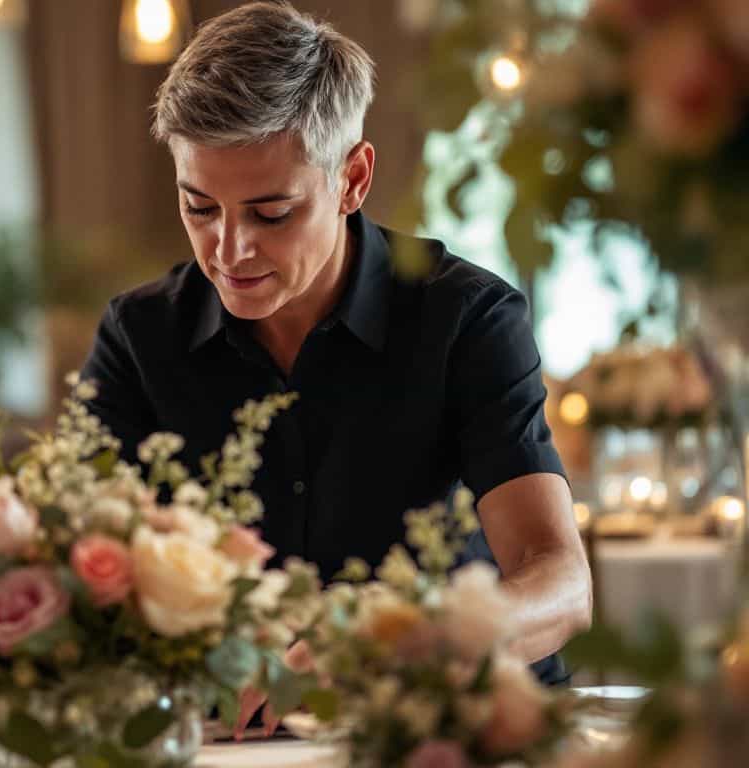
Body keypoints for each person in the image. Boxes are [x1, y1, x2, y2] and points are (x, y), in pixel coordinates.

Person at [79, 1, 591, 685]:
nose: (227, 251)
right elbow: (82, 572)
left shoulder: (467, 318)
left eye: (271, 212)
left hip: (447, 723)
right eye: (199, 207)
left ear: (352, 179)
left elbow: (561, 584)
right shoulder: (139, 337)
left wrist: (398, 648)